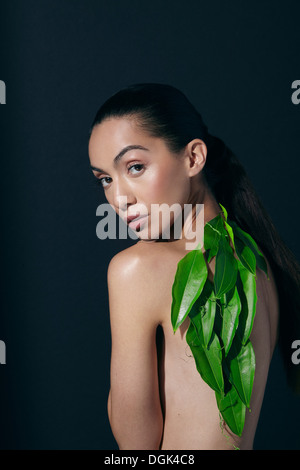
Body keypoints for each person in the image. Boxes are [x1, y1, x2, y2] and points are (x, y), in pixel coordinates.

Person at [88, 83, 300, 450]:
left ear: (193, 158)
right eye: (105, 179)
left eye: (135, 167)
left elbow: (135, 444)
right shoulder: (259, 263)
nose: (118, 198)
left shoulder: (136, 269)